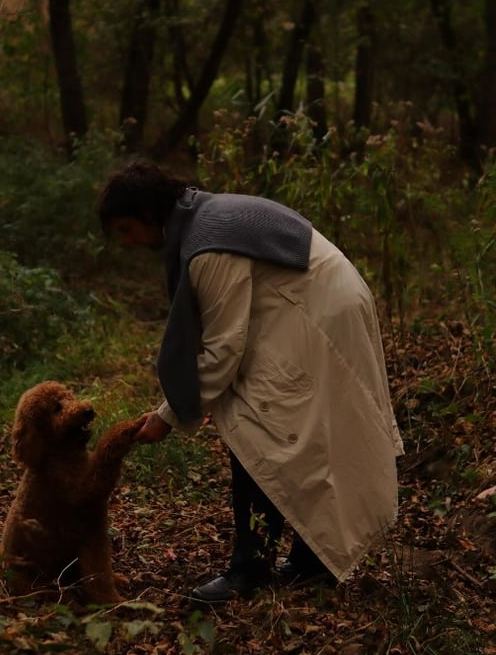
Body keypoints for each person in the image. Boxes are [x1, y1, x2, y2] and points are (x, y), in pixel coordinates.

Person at [98, 160, 404, 604]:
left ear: (150, 214)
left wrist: (169, 415)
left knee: (253, 427)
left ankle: (249, 570)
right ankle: (308, 560)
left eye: (127, 229)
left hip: (319, 314)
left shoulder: (209, 245)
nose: (128, 242)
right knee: (291, 427)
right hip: (317, 306)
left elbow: (224, 349)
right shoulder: (203, 215)